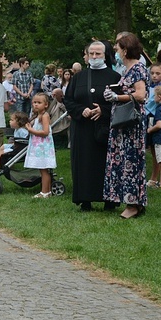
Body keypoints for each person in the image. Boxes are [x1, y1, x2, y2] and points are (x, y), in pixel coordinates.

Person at [65, 41, 120, 212]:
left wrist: (102, 110)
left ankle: (109, 200)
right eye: (92, 54)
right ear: (87, 55)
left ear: (105, 55)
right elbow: (69, 99)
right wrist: (82, 110)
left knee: (106, 164)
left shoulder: (114, 77)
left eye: (98, 54)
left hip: (104, 129)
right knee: (83, 163)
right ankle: (85, 200)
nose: (95, 57)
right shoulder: (79, 77)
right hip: (82, 129)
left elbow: (121, 102)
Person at [104, 32, 149, 219]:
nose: (115, 50)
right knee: (122, 161)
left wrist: (117, 97)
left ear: (125, 50)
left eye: (118, 47)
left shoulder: (138, 68)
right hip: (123, 123)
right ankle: (130, 201)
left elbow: (140, 95)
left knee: (131, 162)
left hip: (131, 124)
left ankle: (133, 204)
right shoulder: (127, 69)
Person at [24, 92, 56, 198]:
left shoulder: (45, 116)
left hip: (43, 147)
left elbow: (45, 132)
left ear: (46, 105)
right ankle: (46, 191)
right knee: (42, 170)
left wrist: (31, 130)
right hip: (39, 147)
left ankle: (45, 192)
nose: (36, 105)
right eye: (34, 102)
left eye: (39, 102)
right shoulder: (38, 116)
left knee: (44, 170)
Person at [145, 63, 161, 188]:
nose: (154, 76)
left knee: (157, 151)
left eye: (158, 73)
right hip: (148, 119)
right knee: (152, 150)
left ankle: (156, 178)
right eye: (152, 73)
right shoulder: (149, 87)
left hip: (155, 121)